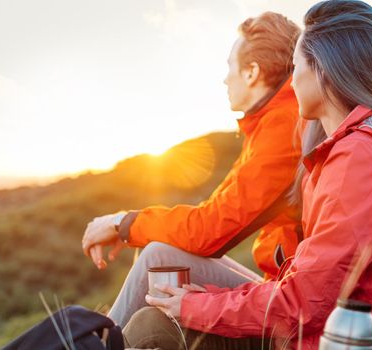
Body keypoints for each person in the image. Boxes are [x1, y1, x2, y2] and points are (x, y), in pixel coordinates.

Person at [122, 1, 372, 349]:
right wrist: (206, 298)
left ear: (321, 70)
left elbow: (302, 304)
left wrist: (194, 306)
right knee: (155, 318)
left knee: (151, 325)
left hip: (328, 340)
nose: (292, 79)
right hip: (325, 333)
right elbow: (309, 284)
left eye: (296, 66)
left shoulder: (362, 162)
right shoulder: (361, 150)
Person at [81, 12, 304, 328]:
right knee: (160, 250)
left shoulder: (284, 126)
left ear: (252, 72)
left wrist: (122, 223)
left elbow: (210, 230)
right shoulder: (273, 122)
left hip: (293, 303)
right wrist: (131, 225)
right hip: (282, 287)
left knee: (158, 257)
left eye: (230, 66)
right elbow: (211, 215)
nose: (225, 78)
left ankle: (100, 344)